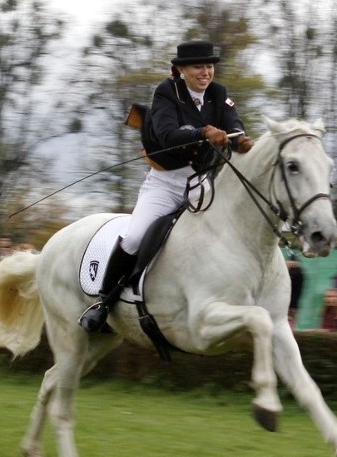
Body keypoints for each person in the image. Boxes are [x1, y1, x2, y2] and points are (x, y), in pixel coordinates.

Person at [79, 40, 254, 333]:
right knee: (134, 237)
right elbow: (166, 135)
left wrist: (242, 140)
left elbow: (233, 123)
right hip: (165, 184)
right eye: (199, 66)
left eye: (209, 66)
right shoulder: (166, 93)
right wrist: (203, 131)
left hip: (201, 184)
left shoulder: (218, 93)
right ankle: (103, 302)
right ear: (181, 69)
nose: (206, 72)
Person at [286, 252, 305, 329]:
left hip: (292, 303)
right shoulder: (295, 271)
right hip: (288, 302)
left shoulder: (298, 272)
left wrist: (286, 266)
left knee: (290, 322)